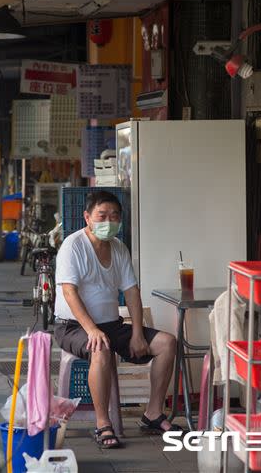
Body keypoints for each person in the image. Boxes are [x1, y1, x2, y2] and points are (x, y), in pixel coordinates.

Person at [53, 191, 179, 449]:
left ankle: (152, 414)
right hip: (73, 326)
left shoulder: (119, 248)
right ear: (87, 217)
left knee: (167, 343)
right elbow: (69, 292)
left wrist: (136, 333)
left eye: (114, 216)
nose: (108, 221)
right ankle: (103, 423)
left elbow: (131, 291)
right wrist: (91, 330)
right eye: (102, 215)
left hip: (112, 324)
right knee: (101, 348)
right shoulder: (73, 245)